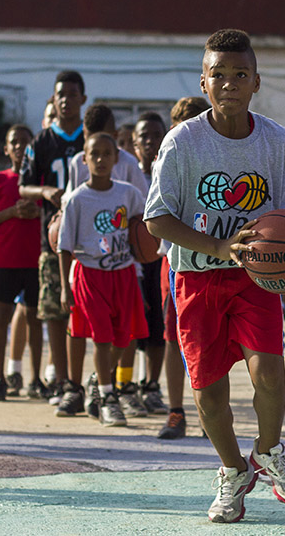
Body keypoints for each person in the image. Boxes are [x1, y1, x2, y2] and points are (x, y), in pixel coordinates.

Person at [146, 29, 285, 523]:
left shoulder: (276, 142)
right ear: (203, 81)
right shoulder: (183, 142)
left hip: (255, 281)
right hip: (196, 279)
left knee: (269, 370)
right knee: (209, 394)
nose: (229, 84)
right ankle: (232, 470)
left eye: (239, 75)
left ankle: (268, 450)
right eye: (218, 75)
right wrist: (220, 246)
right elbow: (157, 218)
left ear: (256, 81)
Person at [56, 133, 148, 424]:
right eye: (94, 154)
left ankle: (98, 379)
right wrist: (63, 287)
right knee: (101, 336)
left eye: (106, 153)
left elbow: (143, 225)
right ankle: (109, 397)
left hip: (123, 273)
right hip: (89, 274)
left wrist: (143, 244)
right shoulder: (76, 199)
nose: (100, 159)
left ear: (116, 158)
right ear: (84, 160)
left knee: (123, 338)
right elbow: (64, 246)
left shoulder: (128, 193)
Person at [19, 71, 87, 403]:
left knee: (91, 314)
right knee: (57, 312)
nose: (66, 100)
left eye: (72, 94)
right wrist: (44, 190)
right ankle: (62, 380)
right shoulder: (41, 141)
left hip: (93, 243)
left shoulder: (93, 138)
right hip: (56, 240)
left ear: (83, 99)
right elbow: (23, 185)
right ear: (54, 99)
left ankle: (91, 378)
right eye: (60, 94)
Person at [157, 96, 211, 440]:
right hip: (175, 262)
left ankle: (211, 413)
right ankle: (176, 410)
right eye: (184, 123)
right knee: (174, 340)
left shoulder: (217, 158)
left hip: (213, 262)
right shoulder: (169, 157)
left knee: (211, 344)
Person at [0, 124, 44, 401]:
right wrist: (11, 212)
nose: (19, 147)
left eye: (24, 142)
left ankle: (36, 379)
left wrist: (35, 212)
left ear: (32, 147)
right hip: (6, 260)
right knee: (1, 319)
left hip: (34, 260)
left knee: (34, 318)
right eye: (13, 142)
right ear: (6, 148)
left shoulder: (41, 179)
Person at [131, 112, 170, 418]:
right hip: (129, 259)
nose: (149, 141)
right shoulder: (126, 175)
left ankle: (152, 386)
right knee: (130, 327)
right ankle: (125, 385)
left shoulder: (168, 169)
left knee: (159, 326)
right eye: (144, 135)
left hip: (159, 257)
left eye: (156, 135)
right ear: (134, 141)